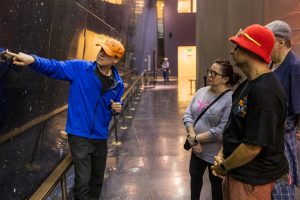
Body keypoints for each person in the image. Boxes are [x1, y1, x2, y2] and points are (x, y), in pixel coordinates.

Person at [4, 38, 125, 200]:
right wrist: (33, 60)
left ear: (116, 59)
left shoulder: (118, 83)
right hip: (79, 135)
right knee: (82, 183)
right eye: (101, 50)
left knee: (96, 181)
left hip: (100, 137)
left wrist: (118, 107)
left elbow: (116, 104)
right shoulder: (80, 68)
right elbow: (54, 66)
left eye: (107, 53)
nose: (101, 54)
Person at [211, 24, 288, 200]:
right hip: (239, 175)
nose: (232, 52)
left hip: (251, 182)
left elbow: (253, 147)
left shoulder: (266, 91)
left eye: (238, 47)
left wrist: (224, 166)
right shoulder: (248, 84)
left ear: (252, 51)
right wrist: (223, 154)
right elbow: (235, 126)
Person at [183, 58, 241, 200]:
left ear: (225, 79)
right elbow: (188, 114)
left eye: (214, 73)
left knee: (216, 186)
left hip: (215, 154)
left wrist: (195, 139)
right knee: (195, 179)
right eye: (210, 71)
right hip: (196, 150)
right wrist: (193, 138)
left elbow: (221, 129)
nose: (210, 75)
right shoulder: (201, 91)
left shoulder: (230, 99)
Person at [265, 20, 300, 200]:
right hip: (269, 135)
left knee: (282, 188)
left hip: (283, 136)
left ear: (281, 42)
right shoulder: (271, 64)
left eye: (268, 41)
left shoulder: (294, 67)